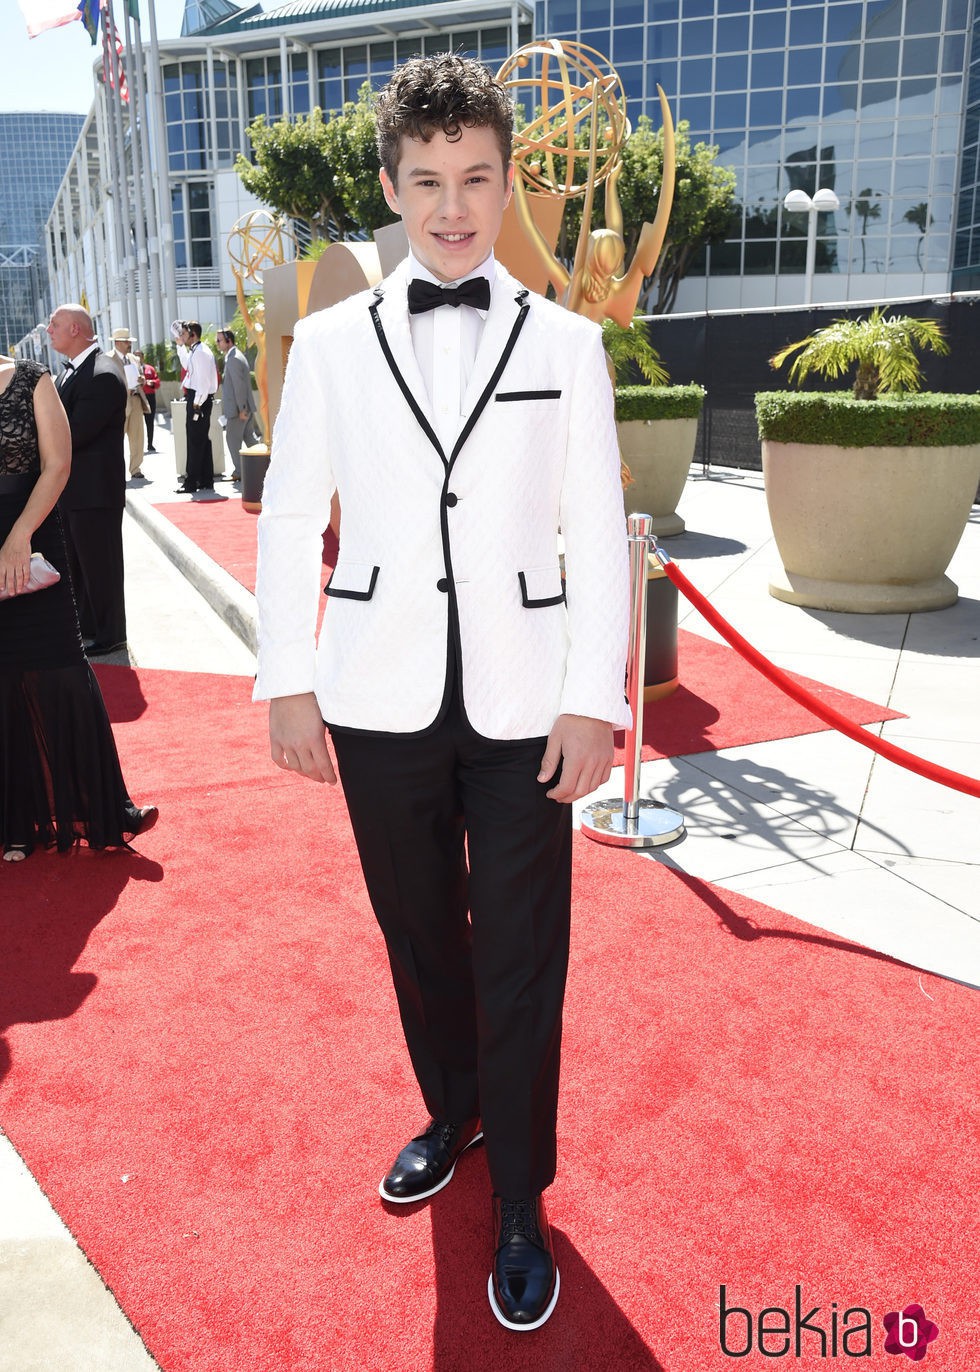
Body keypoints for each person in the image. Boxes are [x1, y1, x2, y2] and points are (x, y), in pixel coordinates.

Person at [253, 55, 630, 1331]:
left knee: (524, 957)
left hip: (528, 701)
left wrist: (596, 698)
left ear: (508, 178)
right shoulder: (331, 341)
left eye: (475, 179)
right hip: (375, 695)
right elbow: (292, 508)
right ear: (389, 184)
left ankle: (519, 1198)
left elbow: (592, 525)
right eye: (427, 182)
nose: (453, 207)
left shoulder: (569, 345)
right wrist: (286, 679)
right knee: (419, 931)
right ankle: (452, 1106)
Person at [0, 352, 158, 861]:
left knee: (62, 668)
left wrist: (19, 535)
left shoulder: (30, 378)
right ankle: (15, 823)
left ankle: (103, 808)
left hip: (33, 536)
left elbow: (58, 463)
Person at [48, 304, 129, 656]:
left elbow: (74, 433)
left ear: (76, 330)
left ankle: (111, 634)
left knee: (101, 568)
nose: (49, 329)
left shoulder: (102, 373)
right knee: (80, 567)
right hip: (75, 492)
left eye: (55, 324)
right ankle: (89, 628)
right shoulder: (71, 372)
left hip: (95, 493)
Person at [175, 321, 218, 494]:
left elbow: (203, 382)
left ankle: (192, 482)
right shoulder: (197, 351)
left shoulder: (200, 352)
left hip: (199, 399)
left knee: (195, 440)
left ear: (192, 334)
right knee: (201, 440)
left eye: (184, 334)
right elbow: (187, 365)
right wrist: (180, 346)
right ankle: (205, 479)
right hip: (198, 397)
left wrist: (197, 403)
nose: (182, 336)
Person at [215, 328, 258, 482]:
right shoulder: (235, 356)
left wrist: (242, 410)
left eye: (219, 340)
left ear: (229, 341)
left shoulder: (233, 358)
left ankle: (239, 472)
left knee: (232, 440)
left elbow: (239, 387)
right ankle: (265, 466)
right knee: (250, 438)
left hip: (238, 411)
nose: (217, 343)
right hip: (241, 408)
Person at [108, 327, 146, 479]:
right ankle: (115, 469)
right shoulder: (107, 359)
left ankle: (135, 469)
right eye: (126, 341)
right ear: (117, 342)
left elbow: (140, 375)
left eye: (129, 341)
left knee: (137, 437)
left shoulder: (134, 358)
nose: (129, 344)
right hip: (119, 404)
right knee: (116, 439)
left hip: (136, 400)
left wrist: (142, 380)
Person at [136, 350, 160, 453]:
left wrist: (151, 382)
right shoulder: (131, 369)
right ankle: (137, 445)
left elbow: (157, 382)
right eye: (135, 356)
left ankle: (150, 444)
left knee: (149, 422)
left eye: (139, 356)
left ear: (143, 357)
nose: (138, 358)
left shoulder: (150, 369)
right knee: (137, 423)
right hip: (137, 397)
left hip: (150, 397)